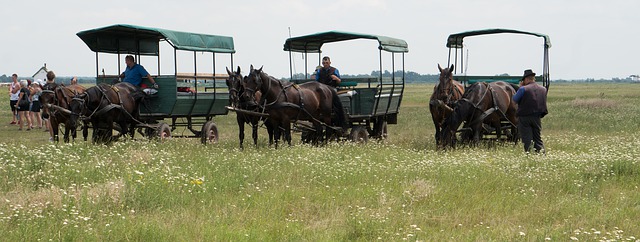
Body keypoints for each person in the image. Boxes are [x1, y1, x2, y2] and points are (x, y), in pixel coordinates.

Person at [513, 69, 548, 154]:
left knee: (527, 139)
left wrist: (520, 87)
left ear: (527, 79)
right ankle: (541, 154)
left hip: (524, 118)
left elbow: (514, 100)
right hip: (537, 117)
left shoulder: (523, 89)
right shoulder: (543, 89)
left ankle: (529, 155)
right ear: (533, 78)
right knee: (537, 138)